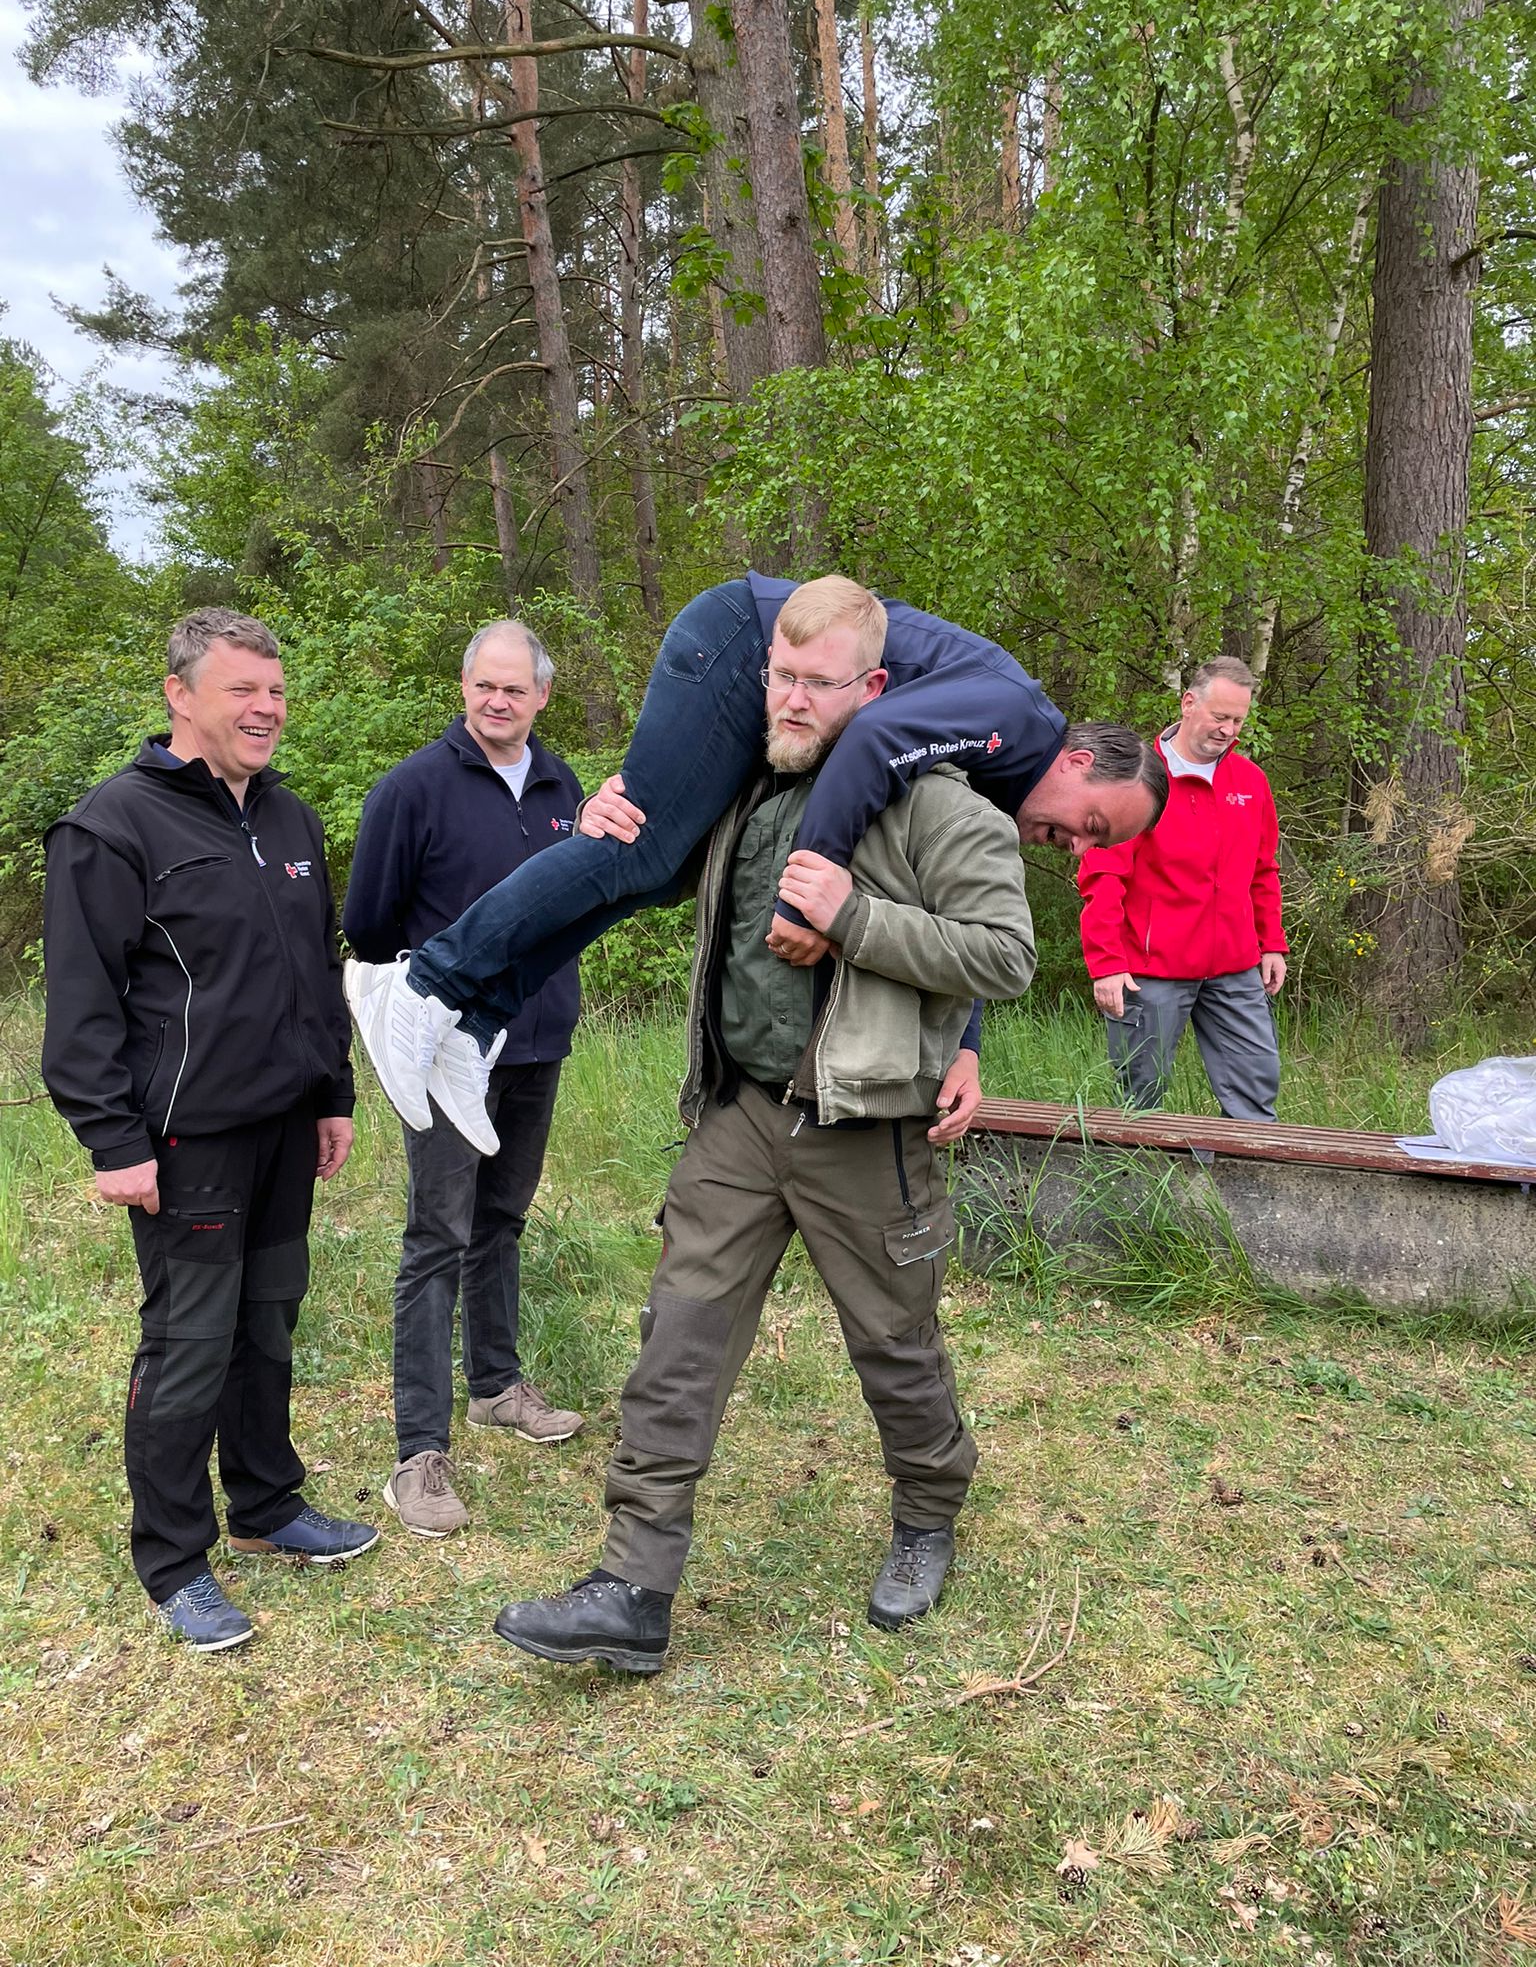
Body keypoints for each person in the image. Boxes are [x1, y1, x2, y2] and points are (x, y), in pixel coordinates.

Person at [490, 578, 1163, 1675]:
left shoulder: (951, 807)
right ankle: (631, 1585)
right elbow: (648, 847)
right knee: (678, 1340)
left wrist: (854, 919)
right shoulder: (756, 781)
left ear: (876, 685)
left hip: (868, 1130)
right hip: (742, 1111)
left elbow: (1003, 955)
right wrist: (609, 803)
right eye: (786, 678)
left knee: (895, 1344)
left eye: (819, 682)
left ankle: (930, 1510)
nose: (797, 697)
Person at [345, 571, 1168, 1148]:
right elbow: (875, 737)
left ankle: (478, 1018)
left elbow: (944, 900)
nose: (1081, 847)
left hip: (759, 658)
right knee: (640, 843)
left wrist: (967, 1047)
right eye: (1094, 822)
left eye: (1100, 845)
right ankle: (425, 981)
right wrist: (801, 905)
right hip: (741, 641)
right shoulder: (1013, 720)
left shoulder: (999, 771)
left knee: (664, 874)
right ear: (1077, 762)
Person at [41, 608, 378, 1653]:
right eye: (244, 690)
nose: (268, 708)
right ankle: (174, 1556)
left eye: (276, 691)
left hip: (284, 1127)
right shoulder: (114, 826)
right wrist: (114, 1140)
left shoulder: (291, 822)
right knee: (190, 1341)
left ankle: (269, 1500)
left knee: (268, 1320)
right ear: (180, 695)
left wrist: (334, 1093)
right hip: (185, 1141)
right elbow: (83, 1005)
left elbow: (319, 975)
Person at [343, 620, 585, 1540]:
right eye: (483, 686)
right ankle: (419, 1453)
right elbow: (368, 927)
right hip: (444, 1054)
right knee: (436, 1234)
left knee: (502, 1221)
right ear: (464, 686)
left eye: (514, 690)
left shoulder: (568, 791)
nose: (496, 701)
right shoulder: (413, 789)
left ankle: (496, 1387)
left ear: (540, 698)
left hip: (537, 1044)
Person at [1077, 655, 1287, 1122]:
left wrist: (1271, 943)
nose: (1229, 730)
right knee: (1140, 1098)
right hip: (1151, 971)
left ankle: (1251, 1188)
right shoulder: (1139, 779)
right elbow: (1103, 876)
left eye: (1238, 720)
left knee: (1257, 1086)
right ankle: (1139, 1189)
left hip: (1235, 965)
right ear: (1189, 703)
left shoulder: (1250, 782)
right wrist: (1106, 964)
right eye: (1220, 717)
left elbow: (1262, 870)